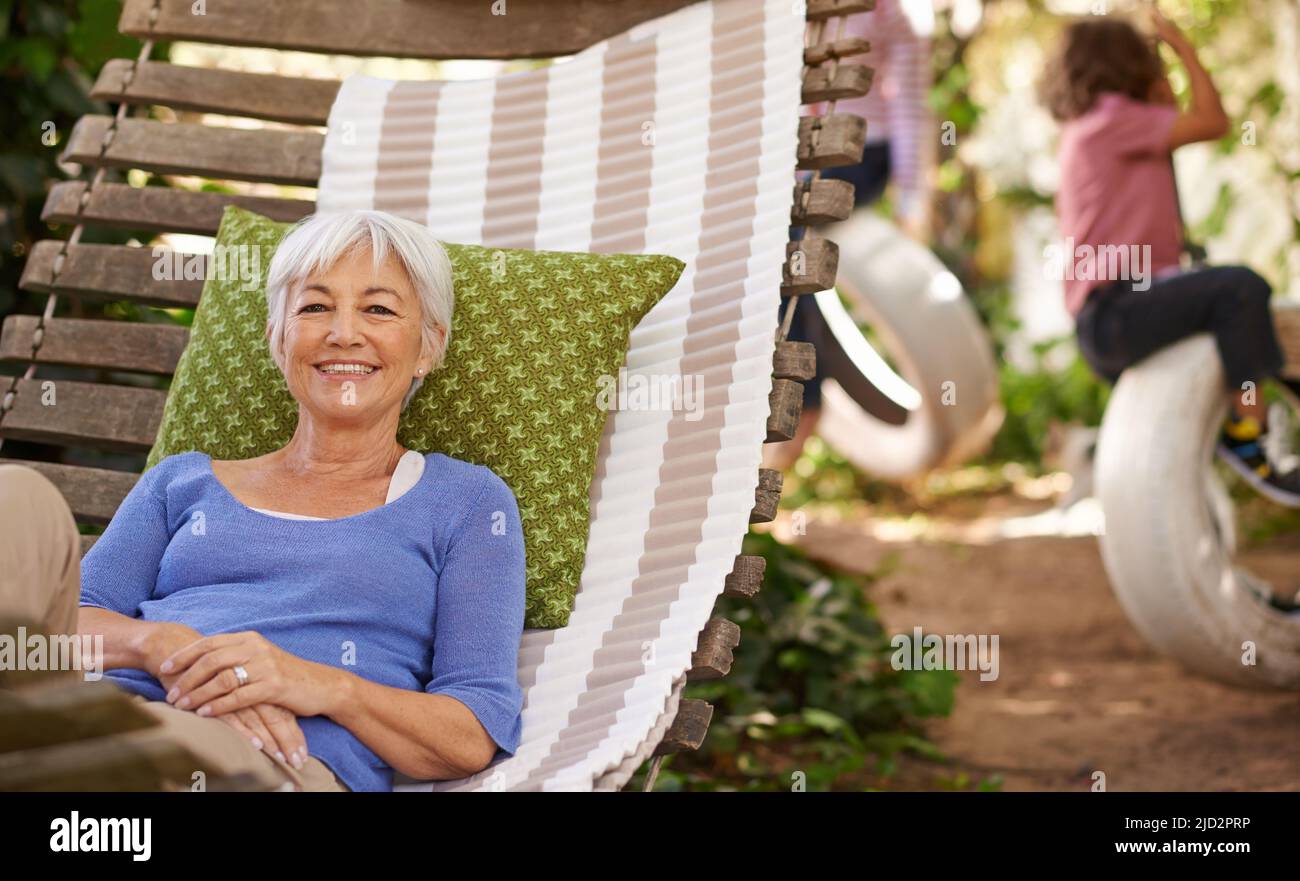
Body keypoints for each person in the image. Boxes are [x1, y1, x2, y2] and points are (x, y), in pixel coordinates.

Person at [0, 209, 528, 791]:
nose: (343, 332)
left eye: (378, 309)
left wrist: (318, 683)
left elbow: (472, 731)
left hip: (267, 761)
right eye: (314, 307)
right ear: (278, 339)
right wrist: (160, 645)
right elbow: (60, 629)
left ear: (429, 346)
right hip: (93, 718)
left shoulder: (468, 502)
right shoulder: (182, 483)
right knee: (16, 496)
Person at [1039, 6, 1300, 504]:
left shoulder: (1091, 127)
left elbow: (1177, 116)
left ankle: (1235, 426)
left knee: (1228, 304)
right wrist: (1181, 48)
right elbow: (1212, 121)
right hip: (1119, 309)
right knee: (1239, 288)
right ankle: (1249, 433)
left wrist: (1162, 84)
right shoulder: (1116, 118)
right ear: (1128, 66)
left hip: (1114, 318)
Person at [771, 0, 935, 472]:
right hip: (801, 152)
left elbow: (908, 105)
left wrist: (912, 199)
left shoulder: (889, 16)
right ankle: (802, 394)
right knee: (787, 254)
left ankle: (804, 400)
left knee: (790, 235)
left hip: (862, 149)